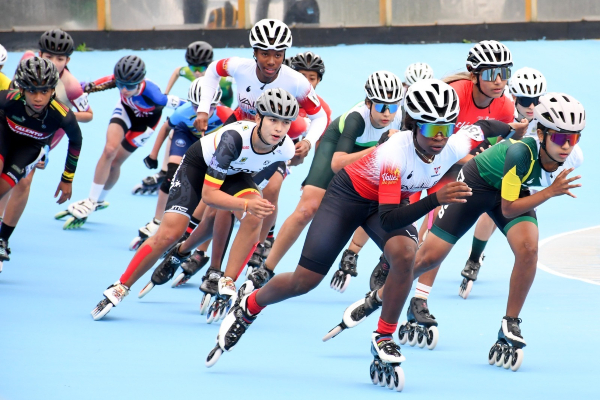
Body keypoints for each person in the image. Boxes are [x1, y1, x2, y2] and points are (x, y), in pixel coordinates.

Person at [205, 80, 511, 386]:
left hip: (388, 201)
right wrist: (435, 199)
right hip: (348, 199)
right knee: (304, 281)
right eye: (431, 129)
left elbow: (485, 127)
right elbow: (389, 220)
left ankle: (384, 336)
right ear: (414, 124)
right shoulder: (394, 153)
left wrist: (516, 131)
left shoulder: (454, 143)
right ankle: (250, 306)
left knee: (405, 255)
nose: (440, 138)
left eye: (445, 128)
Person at [91, 88, 298, 321]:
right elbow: (209, 196)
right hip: (198, 167)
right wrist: (245, 204)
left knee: (254, 214)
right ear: (258, 118)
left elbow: (260, 173)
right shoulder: (233, 139)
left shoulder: (286, 148)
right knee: (170, 233)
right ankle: (120, 286)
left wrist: (251, 203)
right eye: (273, 120)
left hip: (235, 173)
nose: (279, 128)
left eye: (286, 122)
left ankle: (227, 281)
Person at [412, 92, 584, 371]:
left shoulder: (574, 157)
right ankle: (407, 297)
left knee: (528, 250)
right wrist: (551, 192)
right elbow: (508, 209)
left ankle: (510, 323)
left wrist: (547, 191)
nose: (567, 146)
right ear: (541, 134)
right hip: (478, 182)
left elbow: (516, 198)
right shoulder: (520, 152)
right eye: (560, 137)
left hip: (513, 190)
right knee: (430, 256)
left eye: (573, 138)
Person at [255, 71, 403, 294]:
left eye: (392, 107)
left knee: (378, 200)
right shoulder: (356, 118)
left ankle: (352, 253)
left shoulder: (400, 117)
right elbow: (337, 163)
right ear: (368, 102)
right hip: (337, 149)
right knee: (307, 209)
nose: (387, 113)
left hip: (372, 151)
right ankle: (267, 267)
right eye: (381, 106)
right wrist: (377, 149)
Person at [58, 55, 185, 229]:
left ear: (140, 82)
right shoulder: (119, 80)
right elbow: (90, 86)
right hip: (125, 111)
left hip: (145, 124)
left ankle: (99, 200)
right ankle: (91, 200)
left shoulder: (155, 95)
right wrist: (81, 89)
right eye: (120, 85)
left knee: (116, 163)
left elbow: (187, 106)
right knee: (109, 150)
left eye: (130, 86)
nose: (124, 90)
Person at [458, 67, 548, 298]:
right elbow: (485, 138)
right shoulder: (504, 111)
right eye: (525, 101)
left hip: (527, 174)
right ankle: (474, 259)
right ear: (514, 97)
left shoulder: (545, 119)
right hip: (498, 167)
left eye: (536, 101)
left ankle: (476, 255)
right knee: (490, 211)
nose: (531, 106)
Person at [0, 29, 93, 249]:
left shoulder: (68, 96)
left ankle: (3, 238)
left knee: (22, 182)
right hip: (9, 129)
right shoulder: (16, 84)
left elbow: (79, 135)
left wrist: (67, 178)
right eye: (32, 91)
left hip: (40, 138)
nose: (38, 98)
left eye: (60, 58)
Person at [246, 50, 332, 279]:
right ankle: (268, 233)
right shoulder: (275, 92)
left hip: (286, 153)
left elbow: (322, 145)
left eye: (312, 78)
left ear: (319, 81)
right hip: (257, 146)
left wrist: (313, 177)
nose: (306, 82)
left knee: (271, 188)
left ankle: (262, 241)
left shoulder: (320, 108)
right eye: (302, 76)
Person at [129, 77, 232, 252]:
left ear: (216, 104)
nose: (201, 111)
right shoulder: (183, 112)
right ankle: (157, 221)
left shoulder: (226, 114)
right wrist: (153, 155)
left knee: (205, 183)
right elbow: (165, 128)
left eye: (209, 107)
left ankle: (189, 223)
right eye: (195, 106)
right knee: (171, 178)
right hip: (186, 135)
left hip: (210, 142)